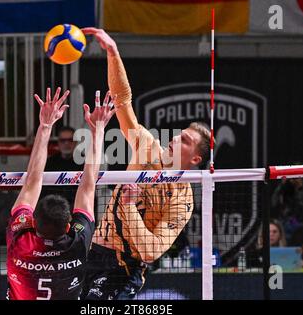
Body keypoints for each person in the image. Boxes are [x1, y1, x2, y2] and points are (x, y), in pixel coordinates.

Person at [81, 28, 210, 300]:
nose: (176, 137)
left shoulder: (182, 199)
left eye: (185, 140)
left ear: (195, 158)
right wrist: (113, 53)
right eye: (180, 133)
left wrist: (129, 208)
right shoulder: (147, 147)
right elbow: (122, 101)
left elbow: (151, 251)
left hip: (122, 269)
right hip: (90, 254)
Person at [6, 88, 116, 300]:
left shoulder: (20, 242)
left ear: (34, 223)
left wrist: (45, 126)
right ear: (68, 226)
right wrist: (98, 130)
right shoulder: (77, 243)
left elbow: (32, 182)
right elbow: (88, 186)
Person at [43, 126, 83, 208]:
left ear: (75, 142)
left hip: (77, 207)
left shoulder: (84, 162)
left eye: (70, 140)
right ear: (58, 142)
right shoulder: (49, 163)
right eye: (63, 140)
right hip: (53, 208)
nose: (66, 143)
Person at [271, 176, 303, 241]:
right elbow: (274, 203)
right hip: (285, 222)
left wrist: (298, 188)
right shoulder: (286, 190)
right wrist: (281, 186)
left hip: (301, 221)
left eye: (296, 177)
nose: (294, 180)